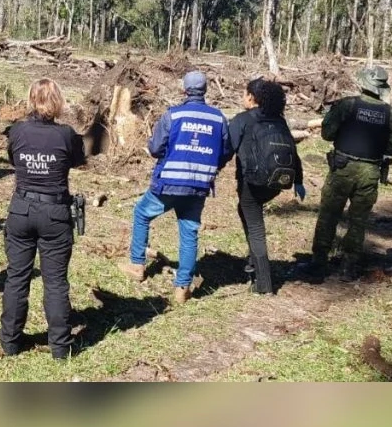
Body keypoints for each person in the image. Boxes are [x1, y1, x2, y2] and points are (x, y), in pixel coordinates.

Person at [118, 71, 232, 305]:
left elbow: (155, 148)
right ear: (205, 90)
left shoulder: (173, 115)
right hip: (199, 186)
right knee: (189, 233)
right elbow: (226, 152)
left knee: (141, 213)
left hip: (169, 184)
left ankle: (137, 265)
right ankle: (182, 288)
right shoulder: (219, 119)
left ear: (184, 90)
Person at [0, 79, 86, 360]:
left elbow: (14, 160)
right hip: (55, 214)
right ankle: (60, 346)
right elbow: (77, 159)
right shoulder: (66, 135)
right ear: (58, 102)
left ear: (31, 99)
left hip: (21, 209)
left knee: (17, 277)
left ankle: (10, 342)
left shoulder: (18, 131)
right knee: (56, 281)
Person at [297, 65, 392, 282]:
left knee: (328, 215)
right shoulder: (391, 115)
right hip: (370, 172)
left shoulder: (346, 106)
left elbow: (327, 134)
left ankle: (318, 262)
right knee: (358, 220)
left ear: (363, 84)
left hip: (342, 169)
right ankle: (349, 266)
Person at [227, 79, 306, 294]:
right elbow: (293, 152)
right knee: (245, 211)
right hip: (276, 183)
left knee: (255, 226)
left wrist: (210, 170)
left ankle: (263, 283)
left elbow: (227, 148)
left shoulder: (242, 120)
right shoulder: (279, 121)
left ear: (252, 98)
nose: (243, 97)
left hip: (252, 182)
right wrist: (298, 181)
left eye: (245, 94)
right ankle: (253, 261)